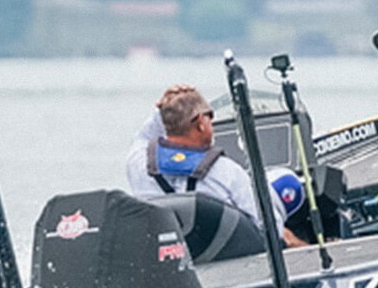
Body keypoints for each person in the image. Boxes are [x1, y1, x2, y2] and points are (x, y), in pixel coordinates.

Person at [126, 84, 306, 247]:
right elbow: (269, 227)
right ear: (201, 124)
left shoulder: (138, 163)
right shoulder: (225, 172)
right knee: (287, 185)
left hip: (173, 256)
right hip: (228, 259)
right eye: (210, 116)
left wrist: (162, 112)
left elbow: (143, 136)